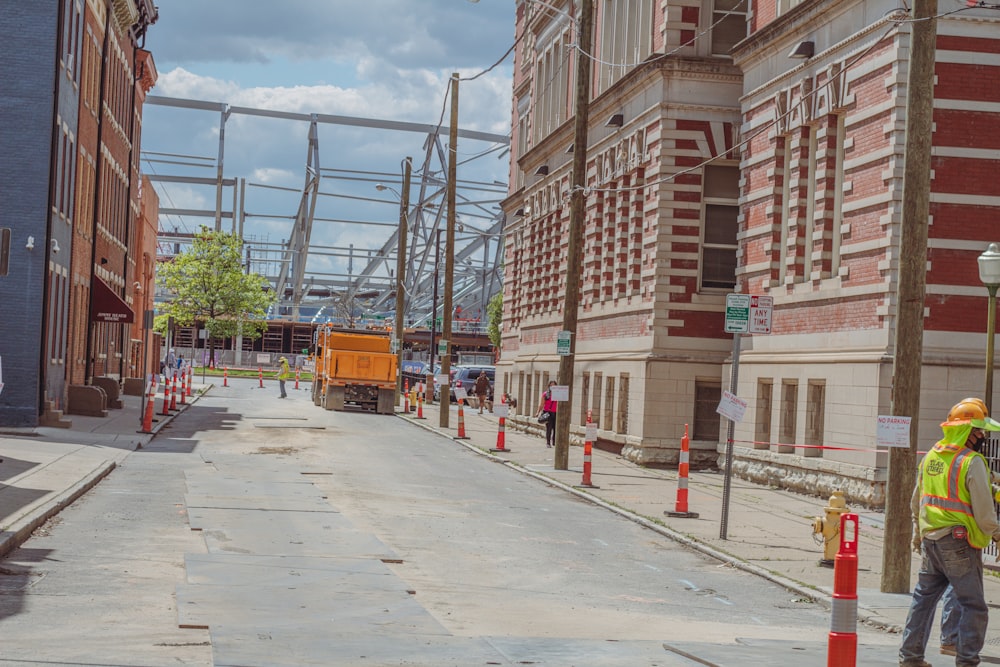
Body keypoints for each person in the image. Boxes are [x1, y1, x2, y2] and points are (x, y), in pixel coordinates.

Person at [899, 398, 1000, 667]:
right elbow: (984, 509)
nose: (983, 437)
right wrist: (997, 534)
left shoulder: (932, 455)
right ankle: (967, 661)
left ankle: (911, 657)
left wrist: (916, 532)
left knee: (924, 599)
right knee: (973, 605)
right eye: (979, 431)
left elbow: (917, 499)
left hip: (931, 539)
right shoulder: (971, 461)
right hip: (958, 543)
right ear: (968, 432)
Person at [536, 380, 557, 448]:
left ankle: (554, 441)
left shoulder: (558, 394)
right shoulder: (545, 394)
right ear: (549, 386)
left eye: (554, 385)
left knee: (556, 428)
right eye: (551, 385)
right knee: (549, 428)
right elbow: (541, 404)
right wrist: (537, 412)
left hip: (556, 413)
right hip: (548, 413)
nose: (552, 387)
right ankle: (548, 442)